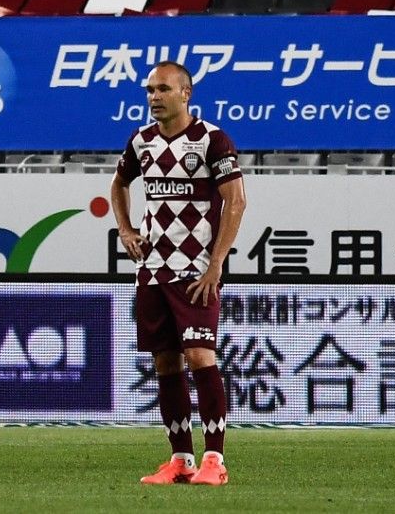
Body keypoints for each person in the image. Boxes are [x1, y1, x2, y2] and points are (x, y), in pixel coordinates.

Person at [109, 61, 246, 487]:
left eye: (163, 89)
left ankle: (215, 461)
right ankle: (181, 460)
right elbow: (119, 183)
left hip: (196, 272)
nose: (153, 97)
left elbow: (236, 201)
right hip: (152, 271)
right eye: (149, 90)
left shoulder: (211, 140)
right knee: (165, 362)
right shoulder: (142, 141)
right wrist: (126, 229)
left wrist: (216, 264)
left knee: (200, 356)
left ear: (186, 93)